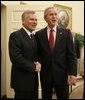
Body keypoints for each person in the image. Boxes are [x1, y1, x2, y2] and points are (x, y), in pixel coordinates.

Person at [35, 7, 77, 99]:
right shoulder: (39, 34)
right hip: (45, 75)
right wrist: (38, 63)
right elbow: (38, 53)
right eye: (51, 14)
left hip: (62, 75)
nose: (54, 17)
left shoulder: (66, 33)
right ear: (45, 18)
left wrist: (73, 73)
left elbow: (71, 55)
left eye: (55, 14)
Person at [8, 10, 41, 99]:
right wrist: (34, 67)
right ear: (23, 21)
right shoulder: (15, 35)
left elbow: (36, 55)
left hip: (34, 82)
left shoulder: (34, 37)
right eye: (31, 19)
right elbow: (15, 58)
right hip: (21, 82)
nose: (35, 22)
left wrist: (39, 63)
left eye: (36, 20)